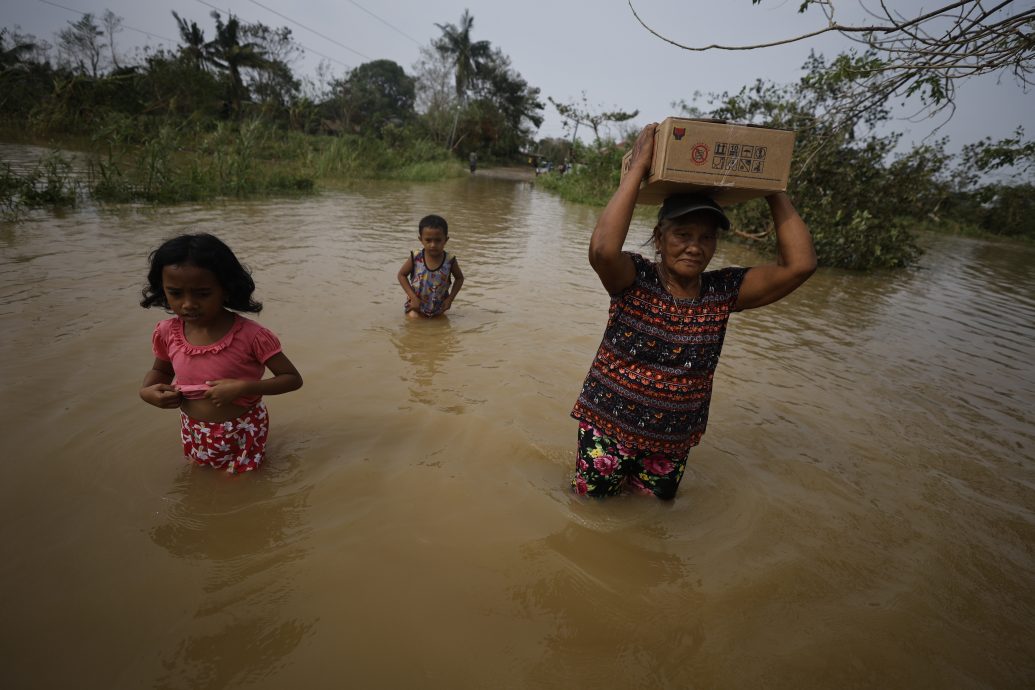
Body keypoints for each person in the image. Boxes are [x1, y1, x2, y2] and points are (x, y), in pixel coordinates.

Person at [570, 123, 817, 499]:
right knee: (590, 514)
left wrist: (772, 186)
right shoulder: (635, 279)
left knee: (650, 524)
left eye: (706, 238)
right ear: (659, 237)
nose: (695, 247)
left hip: (671, 442)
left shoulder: (722, 292)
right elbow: (603, 250)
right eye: (683, 235)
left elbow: (799, 266)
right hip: (608, 428)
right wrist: (637, 169)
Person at [139, 233, 303, 474]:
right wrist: (147, 393)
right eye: (175, 293)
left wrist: (242, 388)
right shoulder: (167, 332)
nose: (187, 304)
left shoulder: (251, 335)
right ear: (163, 291)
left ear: (226, 289)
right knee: (200, 477)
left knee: (242, 486)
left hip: (243, 429)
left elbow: (292, 379)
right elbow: (160, 370)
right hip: (193, 428)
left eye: (202, 294)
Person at [397, 214, 465, 319]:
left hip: (439, 308)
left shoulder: (449, 260)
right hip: (416, 307)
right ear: (421, 239)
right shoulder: (416, 257)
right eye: (428, 240)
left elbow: (459, 278)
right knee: (413, 321)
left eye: (438, 240)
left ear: (445, 240)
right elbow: (401, 275)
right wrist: (413, 297)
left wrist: (450, 299)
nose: (433, 245)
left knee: (440, 327)